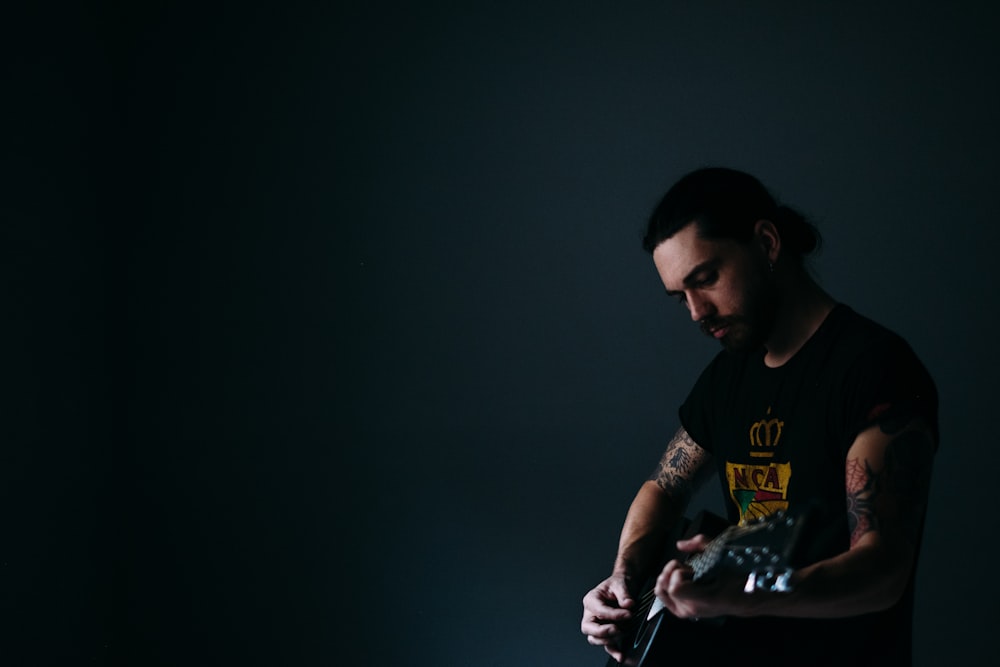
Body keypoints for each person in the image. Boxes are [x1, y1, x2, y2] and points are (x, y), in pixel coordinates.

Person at [580, 167, 938, 666]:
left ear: (767, 243)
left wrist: (747, 591)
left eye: (705, 279)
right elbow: (663, 486)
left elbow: (882, 572)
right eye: (680, 295)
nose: (696, 312)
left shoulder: (875, 369)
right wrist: (623, 580)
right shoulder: (728, 377)